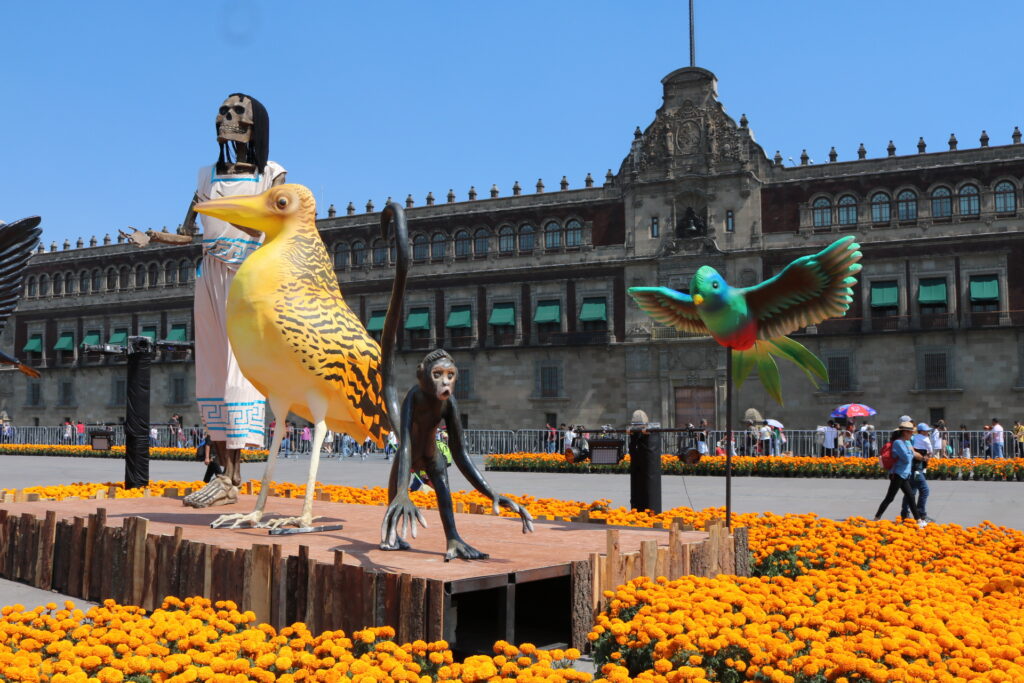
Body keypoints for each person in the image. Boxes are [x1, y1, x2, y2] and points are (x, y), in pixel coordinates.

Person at [873, 420, 927, 528]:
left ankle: (919, 520)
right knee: (890, 497)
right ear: (905, 432)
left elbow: (908, 455)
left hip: (903, 474)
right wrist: (911, 452)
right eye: (911, 432)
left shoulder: (905, 443)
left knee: (910, 496)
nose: (912, 435)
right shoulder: (898, 442)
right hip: (898, 474)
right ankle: (876, 518)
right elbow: (906, 458)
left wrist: (910, 451)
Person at [901, 423, 934, 522]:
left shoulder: (912, 439)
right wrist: (925, 457)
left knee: (911, 492)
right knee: (924, 490)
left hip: (913, 468)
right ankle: (921, 514)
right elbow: (928, 452)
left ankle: (905, 514)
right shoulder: (920, 439)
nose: (928, 432)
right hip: (916, 469)